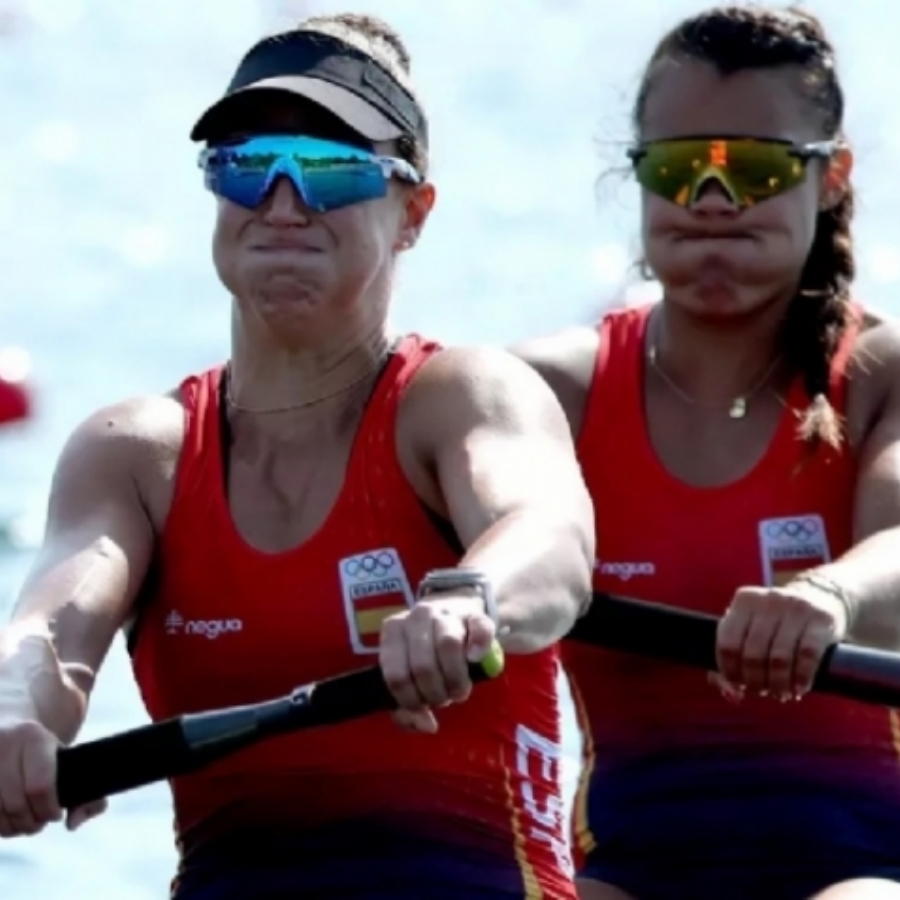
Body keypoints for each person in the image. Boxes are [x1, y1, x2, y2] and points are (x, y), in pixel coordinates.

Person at [0, 14, 594, 900]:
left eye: (330, 170)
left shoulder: (460, 398)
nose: (282, 204)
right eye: (248, 167)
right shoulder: (135, 454)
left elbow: (548, 535)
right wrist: (16, 715)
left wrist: (473, 598)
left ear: (414, 213)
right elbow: (52, 632)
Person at [513, 6, 900, 900]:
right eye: (681, 169)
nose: (714, 202)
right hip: (630, 868)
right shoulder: (549, 393)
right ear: (638, 178)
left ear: (832, 177)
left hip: (870, 866)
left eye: (756, 171)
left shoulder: (881, 373)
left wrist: (828, 595)